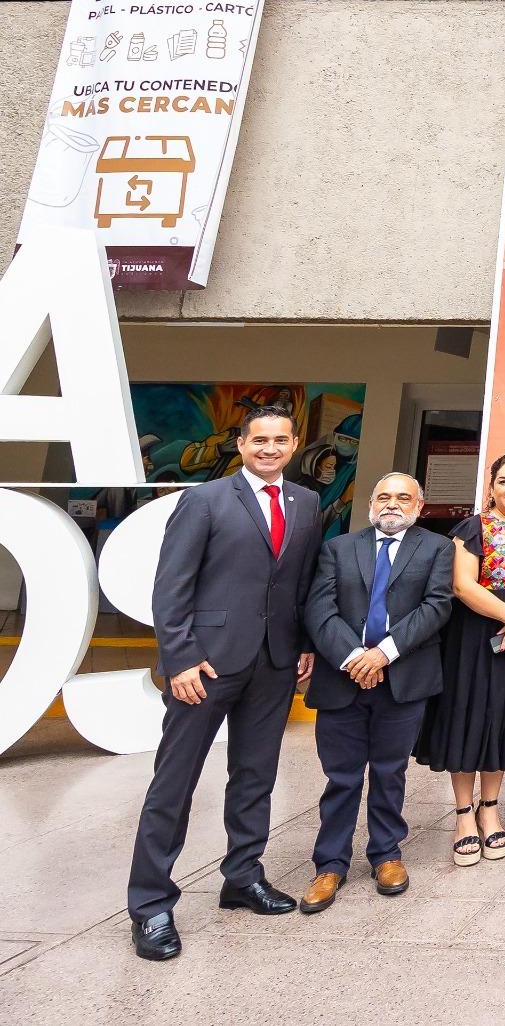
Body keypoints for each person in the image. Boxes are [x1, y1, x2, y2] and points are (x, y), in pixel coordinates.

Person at [128, 404, 322, 961]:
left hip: (274, 662)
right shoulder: (203, 500)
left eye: (279, 440)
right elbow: (171, 587)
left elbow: (301, 582)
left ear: (293, 444)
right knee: (174, 783)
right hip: (206, 666)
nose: (269, 449)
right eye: (258, 439)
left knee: (256, 775)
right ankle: (151, 904)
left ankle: (242, 877)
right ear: (240, 444)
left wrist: (304, 643)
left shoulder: (305, 502)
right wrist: (180, 658)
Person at [299, 473, 455, 913]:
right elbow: (319, 608)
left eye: (403, 497)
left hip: (403, 679)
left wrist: (383, 655)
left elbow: (437, 606)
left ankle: (386, 854)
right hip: (342, 677)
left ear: (419, 507)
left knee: (390, 772)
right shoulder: (338, 548)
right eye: (383, 496)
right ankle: (329, 863)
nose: (392, 504)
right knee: (341, 777)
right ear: (370, 504)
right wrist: (354, 658)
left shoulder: (437, 549)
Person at [413, 452, 505, 866]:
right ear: (492, 487)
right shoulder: (472, 527)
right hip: (476, 636)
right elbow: (462, 585)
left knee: (502, 718)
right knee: (469, 718)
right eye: (503, 480)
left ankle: (490, 808)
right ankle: (463, 814)